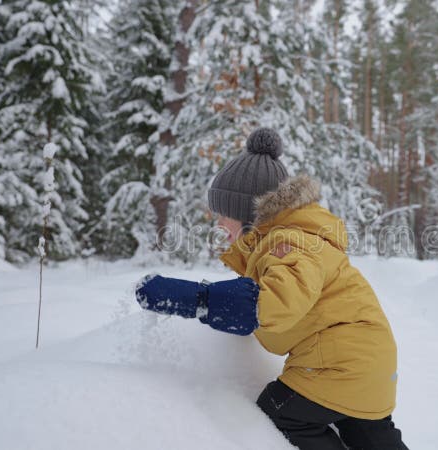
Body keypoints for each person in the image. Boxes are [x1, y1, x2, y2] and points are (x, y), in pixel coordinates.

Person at [135, 128, 408, 449]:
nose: (218, 224)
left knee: (277, 413)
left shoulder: (289, 243)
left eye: (224, 215)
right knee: (368, 436)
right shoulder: (297, 240)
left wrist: (196, 298)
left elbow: (273, 303)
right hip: (368, 366)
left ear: (251, 217)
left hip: (338, 367)